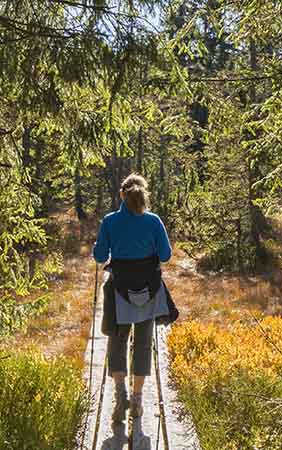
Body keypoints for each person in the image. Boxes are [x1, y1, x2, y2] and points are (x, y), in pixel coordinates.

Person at [92, 173, 172, 422]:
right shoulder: (154, 221)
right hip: (148, 290)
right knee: (143, 344)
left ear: (122, 195)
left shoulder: (109, 221)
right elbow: (166, 255)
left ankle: (120, 396)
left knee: (117, 342)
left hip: (119, 291)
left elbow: (99, 256)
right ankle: (137, 400)